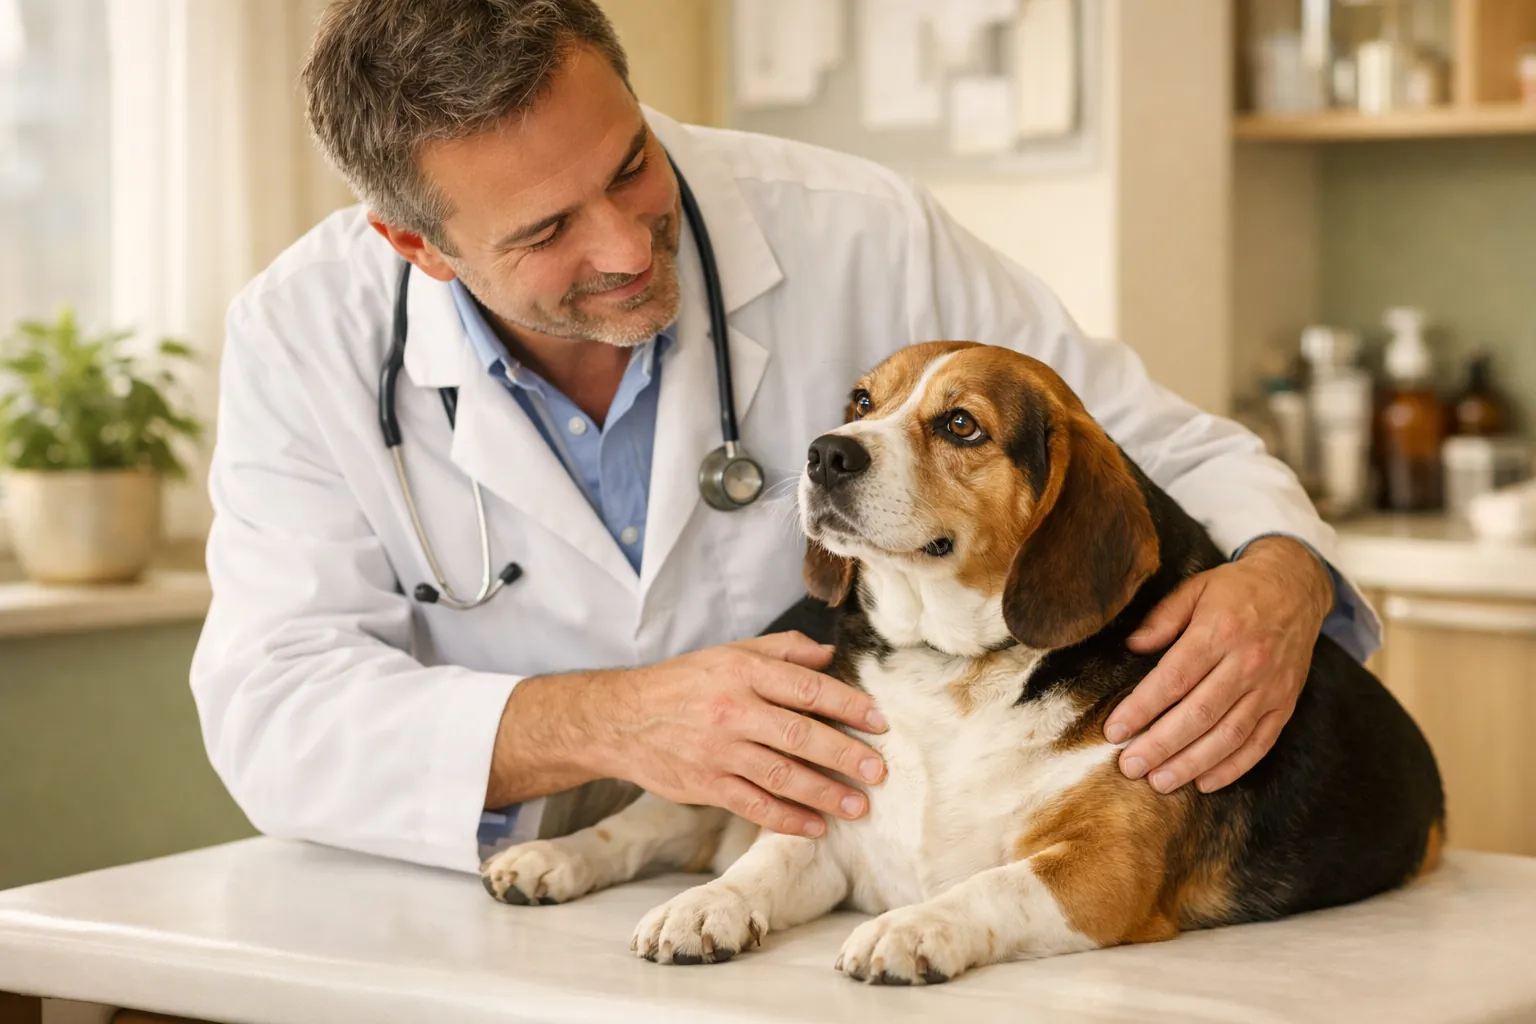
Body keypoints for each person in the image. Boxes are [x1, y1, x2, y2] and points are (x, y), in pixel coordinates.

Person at [189, 0, 1378, 875]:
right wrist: (609, 717)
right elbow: (273, 708)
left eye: (632, 163)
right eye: (549, 227)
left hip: (819, 882)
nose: (622, 245)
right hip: (485, 903)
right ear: (419, 246)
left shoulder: (857, 229)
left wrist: (1280, 572)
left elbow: (1149, 447)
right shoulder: (306, 337)